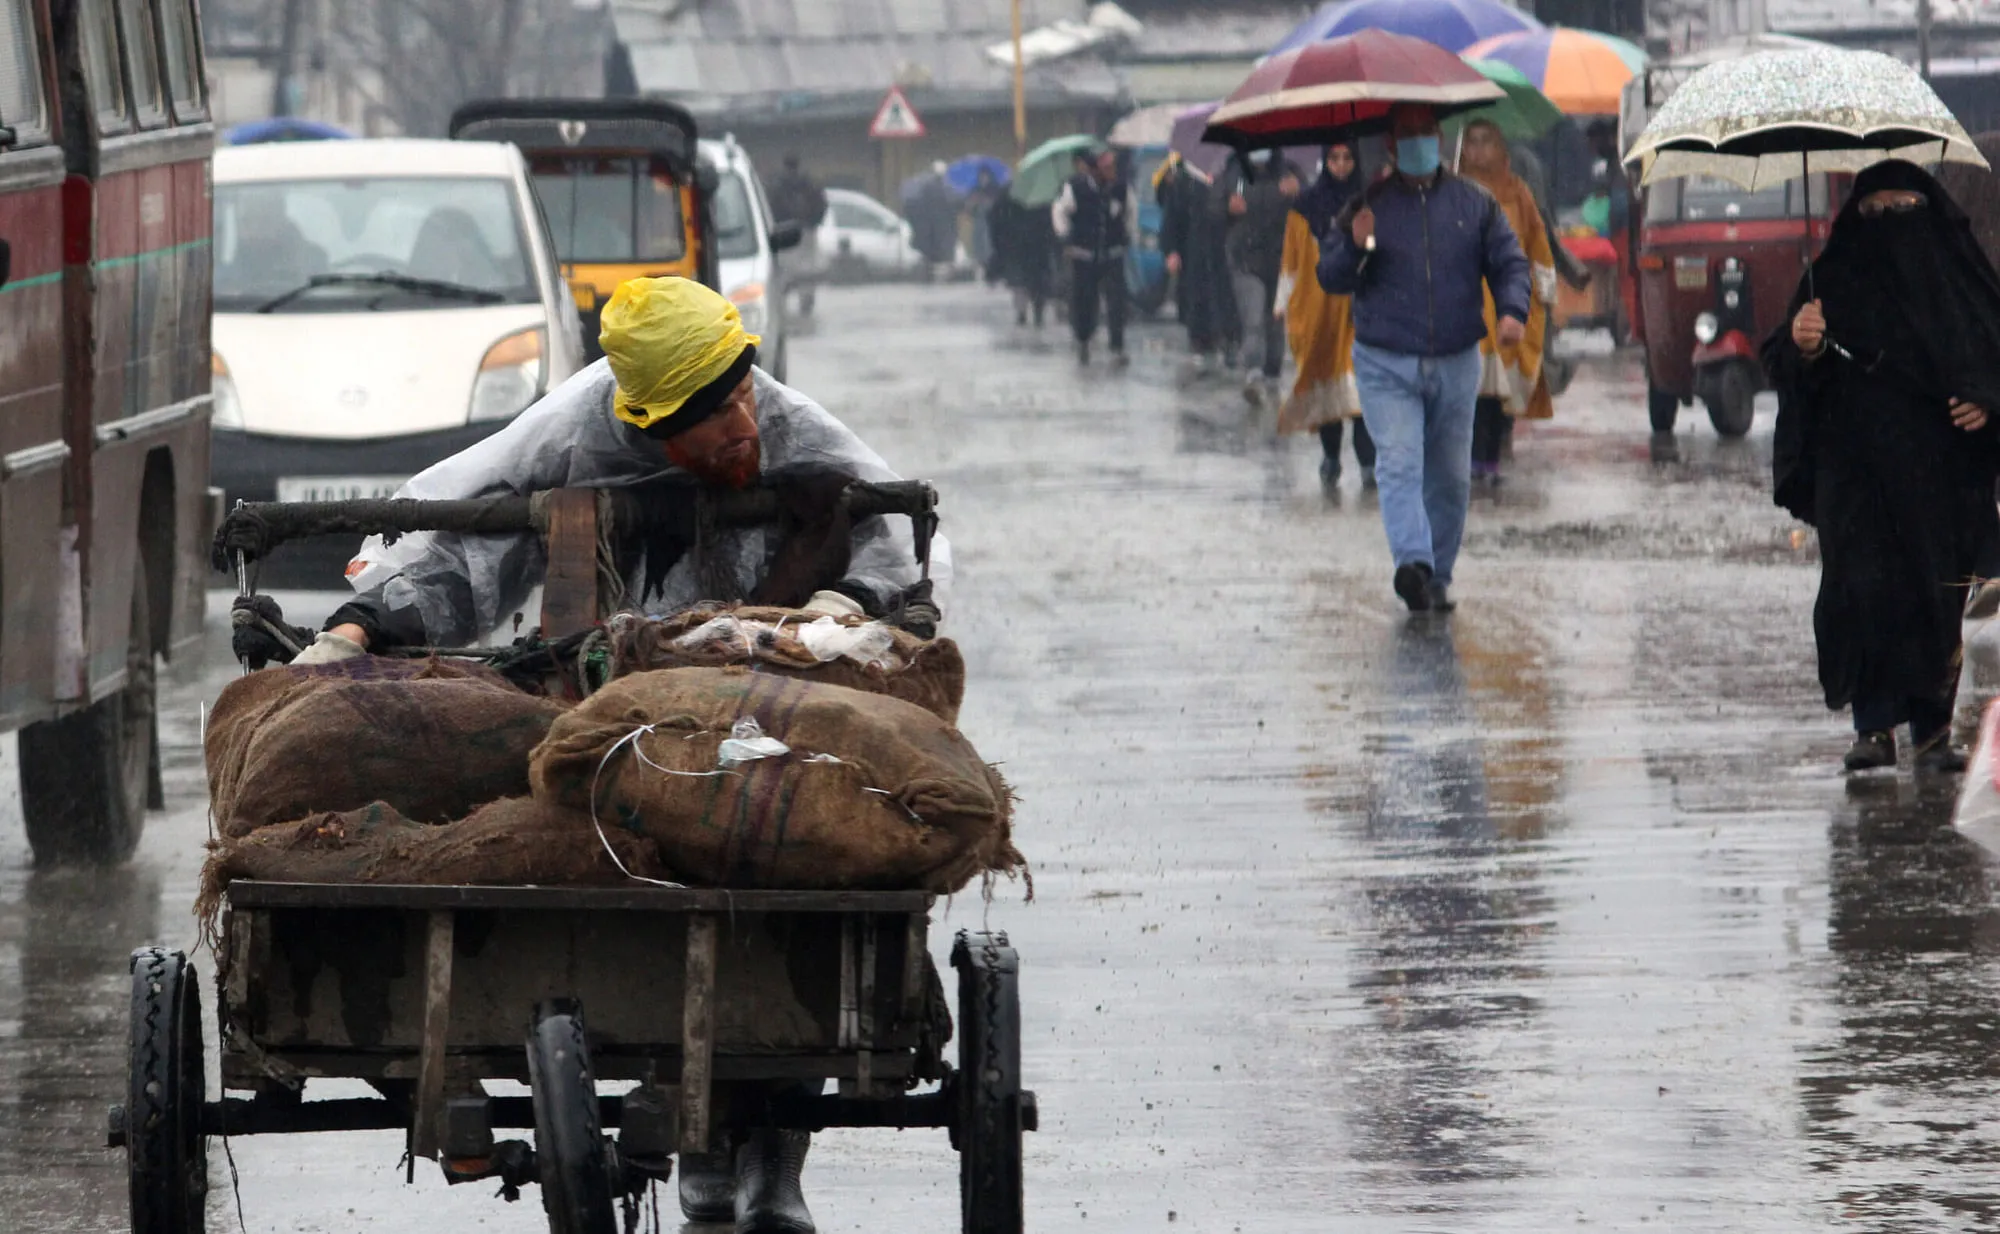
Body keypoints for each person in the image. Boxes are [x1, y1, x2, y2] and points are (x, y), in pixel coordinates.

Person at [1763, 160, 2000, 774]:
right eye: (1872, 213)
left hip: (1940, 472)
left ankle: (1932, 729)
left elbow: (1991, 348)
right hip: (1856, 468)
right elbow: (1782, 358)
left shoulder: (1959, 274)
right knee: (1862, 591)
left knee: (1936, 593)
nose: (1887, 226)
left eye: (1901, 211)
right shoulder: (1833, 275)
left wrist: (1986, 400)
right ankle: (1872, 727)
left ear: (1927, 211)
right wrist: (1803, 342)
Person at [1318, 103, 1531, 613]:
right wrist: (1354, 242)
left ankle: (1437, 573)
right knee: (1399, 461)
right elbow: (1332, 276)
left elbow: (1509, 261)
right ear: (1391, 146)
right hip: (1385, 361)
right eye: (1407, 134)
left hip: (1457, 358)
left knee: (1451, 476)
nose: (1418, 142)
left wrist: (1512, 310)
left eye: (1426, 133)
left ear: (1439, 138)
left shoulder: (1474, 203)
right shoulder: (1366, 206)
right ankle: (1412, 564)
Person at [1457, 119, 1557, 486]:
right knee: (1469, 392)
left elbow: (1537, 244)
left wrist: (1546, 292)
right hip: (1467, 310)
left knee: (1501, 393)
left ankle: (1491, 460)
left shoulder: (1518, 194)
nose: (1479, 150)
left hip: (1507, 309)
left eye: (1486, 141)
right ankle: (1470, 462)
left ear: (1500, 148)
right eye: (1472, 142)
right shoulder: (1454, 191)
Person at [1276, 139, 1372, 487]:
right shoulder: (1305, 206)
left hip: (1359, 308)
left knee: (1362, 389)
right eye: (1334, 158)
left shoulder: (1368, 200)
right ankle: (1331, 457)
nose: (1342, 165)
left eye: (1348, 158)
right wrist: (1282, 300)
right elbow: (1292, 258)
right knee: (1327, 384)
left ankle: (1368, 464)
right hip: (1318, 309)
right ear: (1324, 160)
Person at [1219, 150, 1301, 403]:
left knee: (1275, 321)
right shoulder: (1238, 175)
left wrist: (1299, 193)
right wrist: (1228, 206)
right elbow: (1214, 207)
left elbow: (1313, 207)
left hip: (1280, 259)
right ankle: (1252, 372)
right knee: (1253, 318)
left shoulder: (1288, 172)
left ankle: (1272, 374)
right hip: (1246, 260)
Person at [1051, 148, 1136, 365]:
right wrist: (1066, 237)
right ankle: (1083, 340)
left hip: (1112, 253)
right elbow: (1059, 211)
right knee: (1084, 301)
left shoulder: (1121, 188)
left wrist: (1127, 235)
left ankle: (1117, 346)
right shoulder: (1076, 187)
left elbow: (1131, 212)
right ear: (1095, 170)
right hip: (1084, 255)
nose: (1111, 172)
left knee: (1117, 302)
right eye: (1107, 168)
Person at [1155, 151, 1238, 370]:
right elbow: (1171, 217)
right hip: (1194, 252)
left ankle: (1228, 341)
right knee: (1197, 299)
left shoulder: (1231, 174)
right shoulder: (1183, 179)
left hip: (1226, 250)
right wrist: (1171, 250)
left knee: (1226, 300)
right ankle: (1201, 343)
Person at [769, 153, 830, 314]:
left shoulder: (778, 184)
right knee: (807, 267)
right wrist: (814, 223)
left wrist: (777, 224)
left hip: (785, 232)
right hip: (808, 230)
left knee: (785, 267)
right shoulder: (810, 182)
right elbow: (822, 203)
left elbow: (771, 206)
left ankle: (782, 303)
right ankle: (806, 300)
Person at [987, 188, 1056, 326]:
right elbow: (1050, 221)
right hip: (1037, 246)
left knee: (1019, 282)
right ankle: (1037, 312)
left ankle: (1022, 312)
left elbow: (995, 220)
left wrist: (999, 245)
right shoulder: (1043, 195)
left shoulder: (1007, 193)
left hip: (1016, 247)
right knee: (1037, 282)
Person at [907, 161, 960, 278]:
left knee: (930, 254)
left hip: (929, 228)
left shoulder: (925, 187)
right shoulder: (948, 188)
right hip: (944, 227)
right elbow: (954, 206)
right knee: (946, 253)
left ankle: (929, 273)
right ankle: (947, 274)